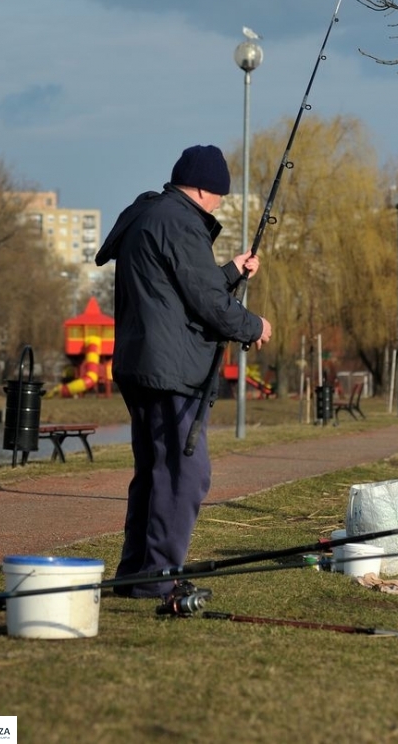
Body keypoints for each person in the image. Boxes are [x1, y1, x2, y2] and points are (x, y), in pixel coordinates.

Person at [95, 143, 271, 598]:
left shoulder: (151, 214)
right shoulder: (181, 222)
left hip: (141, 364)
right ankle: (159, 578)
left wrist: (230, 270)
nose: (218, 204)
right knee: (183, 474)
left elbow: (180, 285)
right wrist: (253, 326)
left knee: (154, 470)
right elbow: (207, 303)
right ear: (200, 188)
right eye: (218, 196)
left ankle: (136, 573)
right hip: (172, 370)